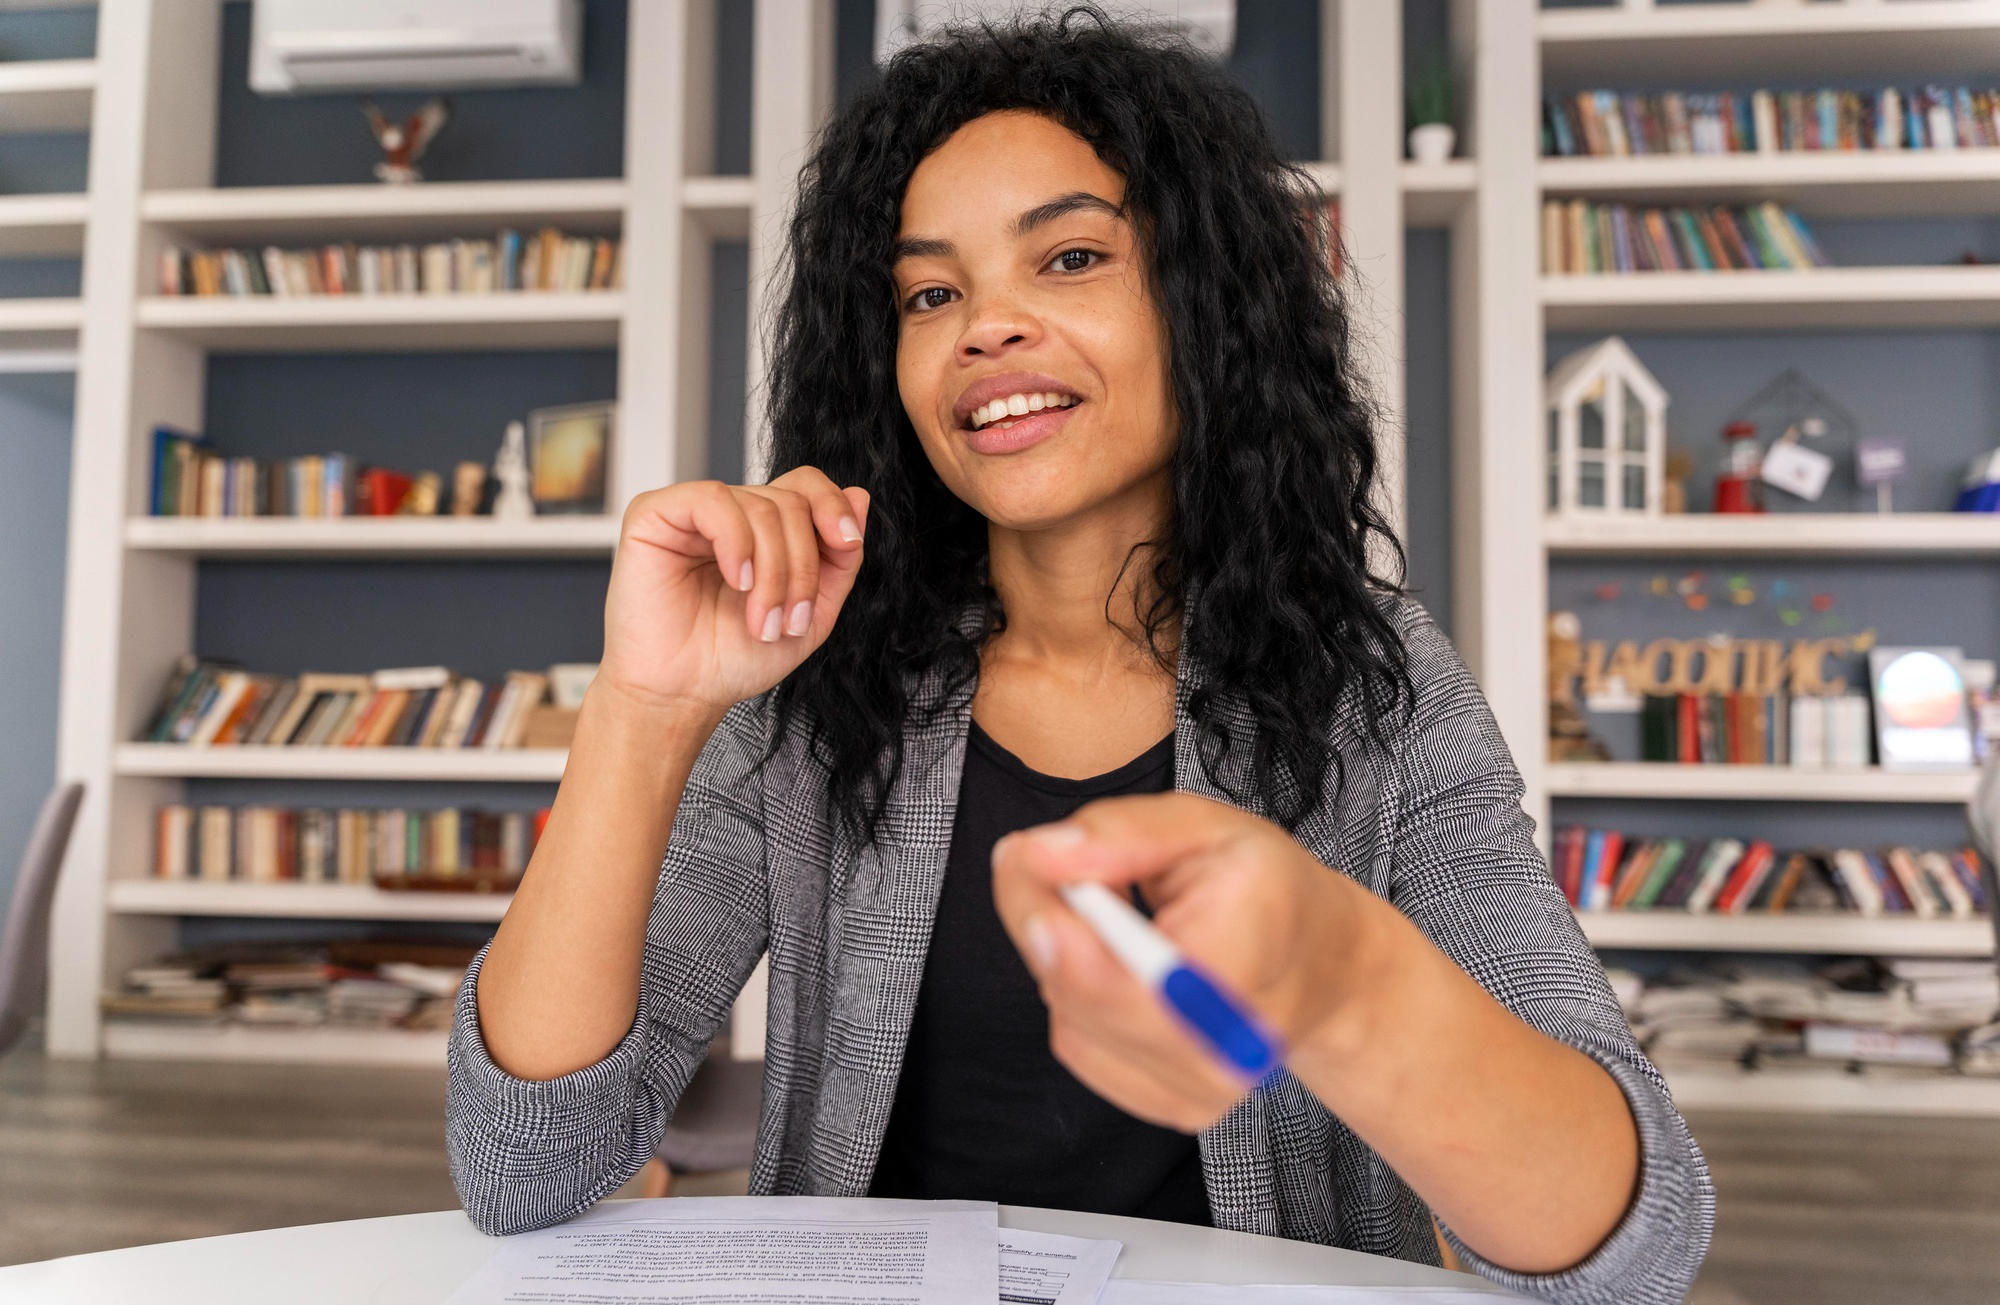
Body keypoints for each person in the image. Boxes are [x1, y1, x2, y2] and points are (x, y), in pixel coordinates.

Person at [446, 7, 1714, 1302]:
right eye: (931, 291)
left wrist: (1341, 980)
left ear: (1201, 302)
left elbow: (1639, 1240)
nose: (985, 326)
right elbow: (524, 1165)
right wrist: (645, 708)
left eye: (1067, 258)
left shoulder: (1371, 680)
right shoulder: (813, 684)